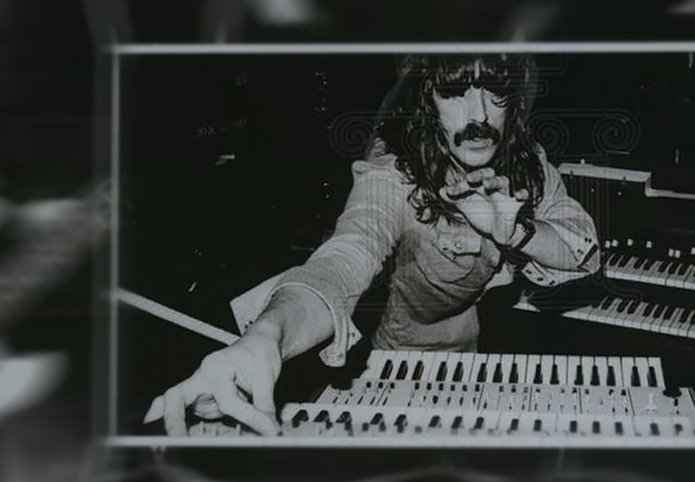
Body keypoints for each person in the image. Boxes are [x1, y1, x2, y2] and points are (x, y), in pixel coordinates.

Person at [148, 54, 600, 435]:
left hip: (474, 355)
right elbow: (346, 254)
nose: (479, 115)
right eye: (454, 92)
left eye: (494, 91)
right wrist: (267, 335)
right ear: (427, 100)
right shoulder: (393, 176)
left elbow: (583, 252)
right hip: (396, 365)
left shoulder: (526, 162)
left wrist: (516, 232)